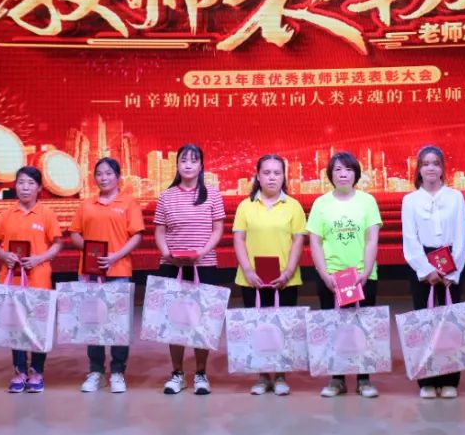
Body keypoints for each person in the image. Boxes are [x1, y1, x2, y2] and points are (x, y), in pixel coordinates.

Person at [307, 151, 383, 398]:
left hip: (362, 275)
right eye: (338, 169)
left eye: (348, 169)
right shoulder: (321, 204)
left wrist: (365, 271)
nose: (343, 174)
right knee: (334, 327)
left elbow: (371, 239)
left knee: (363, 327)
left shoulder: (367, 201)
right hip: (331, 276)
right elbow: (315, 242)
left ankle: (364, 379)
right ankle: (336, 379)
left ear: (356, 174)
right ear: (330, 174)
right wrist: (324, 274)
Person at [153, 144, 226, 395]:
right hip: (172, 266)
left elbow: (218, 229)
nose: (188, 165)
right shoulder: (166, 196)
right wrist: (167, 253)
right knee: (175, 320)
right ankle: (177, 373)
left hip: (204, 265)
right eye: (183, 160)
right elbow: (159, 231)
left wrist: (202, 252)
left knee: (202, 320)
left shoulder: (212, 194)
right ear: (177, 165)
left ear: (201, 166)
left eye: (194, 160)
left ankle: (201, 373)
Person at [232, 154, 307, 396]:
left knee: (282, 328)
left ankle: (281, 375)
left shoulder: (293, 206)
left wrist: (288, 272)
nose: (272, 177)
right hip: (251, 279)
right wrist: (248, 270)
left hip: (285, 279)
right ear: (258, 176)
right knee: (259, 328)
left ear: (284, 176)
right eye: (267, 172)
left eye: (277, 173)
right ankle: (263, 376)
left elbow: (298, 241)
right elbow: (239, 239)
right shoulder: (245, 206)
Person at [69, 157, 144, 393]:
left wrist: (114, 256)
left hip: (118, 270)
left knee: (118, 323)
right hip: (91, 272)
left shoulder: (129, 202)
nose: (104, 178)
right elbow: (74, 233)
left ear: (118, 177)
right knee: (93, 321)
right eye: (99, 174)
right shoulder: (86, 204)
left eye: (109, 173)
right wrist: (90, 252)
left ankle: (118, 371)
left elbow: (136, 236)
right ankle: (96, 371)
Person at [0, 166, 64, 393]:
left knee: (38, 326)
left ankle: (37, 371)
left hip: (38, 278)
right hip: (11, 278)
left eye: (31, 183)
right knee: (16, 327)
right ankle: (19, 371)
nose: (25, 187)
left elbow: (58, 243)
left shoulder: (46, 214)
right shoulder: (6, 214)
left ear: (39, 188)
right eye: (21, 182)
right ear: (15, 186)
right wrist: (4, 255)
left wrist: (39, 258)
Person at [401, 145, 465, 399]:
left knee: (450, 323)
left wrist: (452, 272)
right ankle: (427, 380)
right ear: (419, 169)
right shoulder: (410, 200)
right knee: (424, 322)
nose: (431, 168)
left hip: (451, 261)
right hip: (422, 264)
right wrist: (426, 270)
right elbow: (410, 239)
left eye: (435, 163)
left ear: (442, 168)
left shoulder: (455, 197)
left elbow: (461, 236)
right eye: (425, 163)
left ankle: (450, 379)